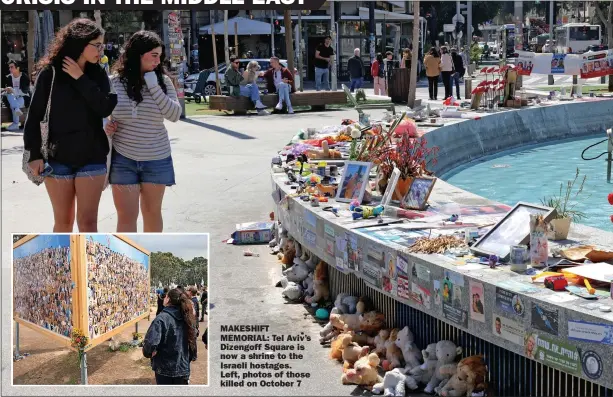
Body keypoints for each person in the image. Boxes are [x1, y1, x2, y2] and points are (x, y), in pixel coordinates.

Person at [23, 18, 117, 232]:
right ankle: (62, 266)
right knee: (63, 223)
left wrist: (80, 78)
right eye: (96, 45)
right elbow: (35, 115)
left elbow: (104, 108)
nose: (100, 49)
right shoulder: (50, 74)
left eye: (102, 44)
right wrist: (33, 154)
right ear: (79, 43)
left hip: (92, 157)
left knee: (88, 223)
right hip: (57, 159)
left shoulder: (98, 73)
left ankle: (87, 266)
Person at [104, 31, 181, 233]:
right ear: (138, 53)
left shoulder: (163, 82)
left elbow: (174, 114)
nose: (158, 60)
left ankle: (152, 257)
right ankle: (125, 261)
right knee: (127, 216)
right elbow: (102, 114)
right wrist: (107, 125)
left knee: (151, 212)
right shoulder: (114, 83)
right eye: (153, 55)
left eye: (159, 56)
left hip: (157, 157)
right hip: (123, 158)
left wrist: (153, 85)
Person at [143, 288, 198, 385]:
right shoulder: (188, 316)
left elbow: (149, 345)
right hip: (183, 367)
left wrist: (149, 352)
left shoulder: (161, 319)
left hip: (164, 370)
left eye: (166, 296)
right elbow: (194, 335)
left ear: (168, 299)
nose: (164, 298)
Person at [2, 61, 31, 131]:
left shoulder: (24, 77)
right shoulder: (8, 77)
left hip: (23, 98)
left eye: (12, 67)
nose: (10, 69)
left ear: (18, 68)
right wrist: (8, 90)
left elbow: (24, 92)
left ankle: (15, 123)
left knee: (14, 103)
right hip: (11, 98)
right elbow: (5, 90)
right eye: (9, 67)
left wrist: (13, 90)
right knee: (9, 95)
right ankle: (16, 111)